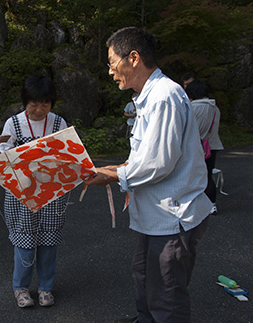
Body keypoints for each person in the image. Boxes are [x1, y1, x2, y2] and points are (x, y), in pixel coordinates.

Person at [85, 27, 212, 323]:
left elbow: (157, 163)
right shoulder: (148, 97)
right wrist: (107, 169)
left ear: (133, 58)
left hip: (171, 218)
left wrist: (111, 176)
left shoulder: (164, 96)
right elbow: (144, 158)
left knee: (166, 295)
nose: (110, 71)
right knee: (144, 278)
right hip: (154, 218)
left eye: (112, 62)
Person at [0, 75, 68, 308]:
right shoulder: (13, 123)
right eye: (34, 103)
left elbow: (66, 155)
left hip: (51, 193)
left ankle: (45, 288)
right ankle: (20, 288)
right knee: (24, 241)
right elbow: (3, 158)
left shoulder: (58, 123)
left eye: (45, 103)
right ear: (25, 101)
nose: (40, 109)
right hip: (20, 193)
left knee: (49, 241)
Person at [186, 80, 224, 214]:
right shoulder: (214, 108)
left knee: (192, 176)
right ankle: (212, 204)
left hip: (196, 146)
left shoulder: (192, 108)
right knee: (208, 175)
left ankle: (195, 204)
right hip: (211, 146)